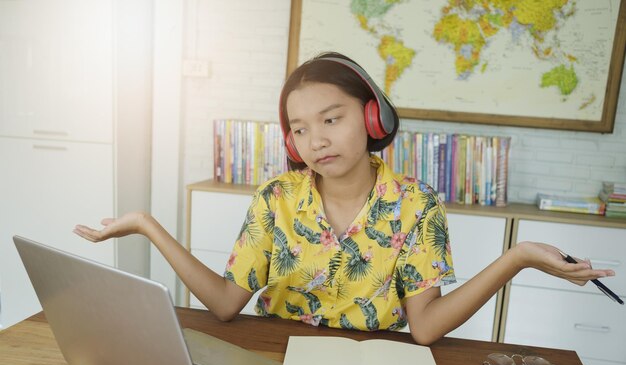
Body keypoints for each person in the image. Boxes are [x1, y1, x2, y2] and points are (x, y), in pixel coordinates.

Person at [74, 52, 615, 345]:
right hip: (272, 364)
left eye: (331, 119)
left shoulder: (417, 206)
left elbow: (425, 328)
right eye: (301, 130)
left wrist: (517, 257)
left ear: (371, 116)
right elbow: (222, 304)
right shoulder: (275, 199)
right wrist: (147, 223)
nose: (317, 141)